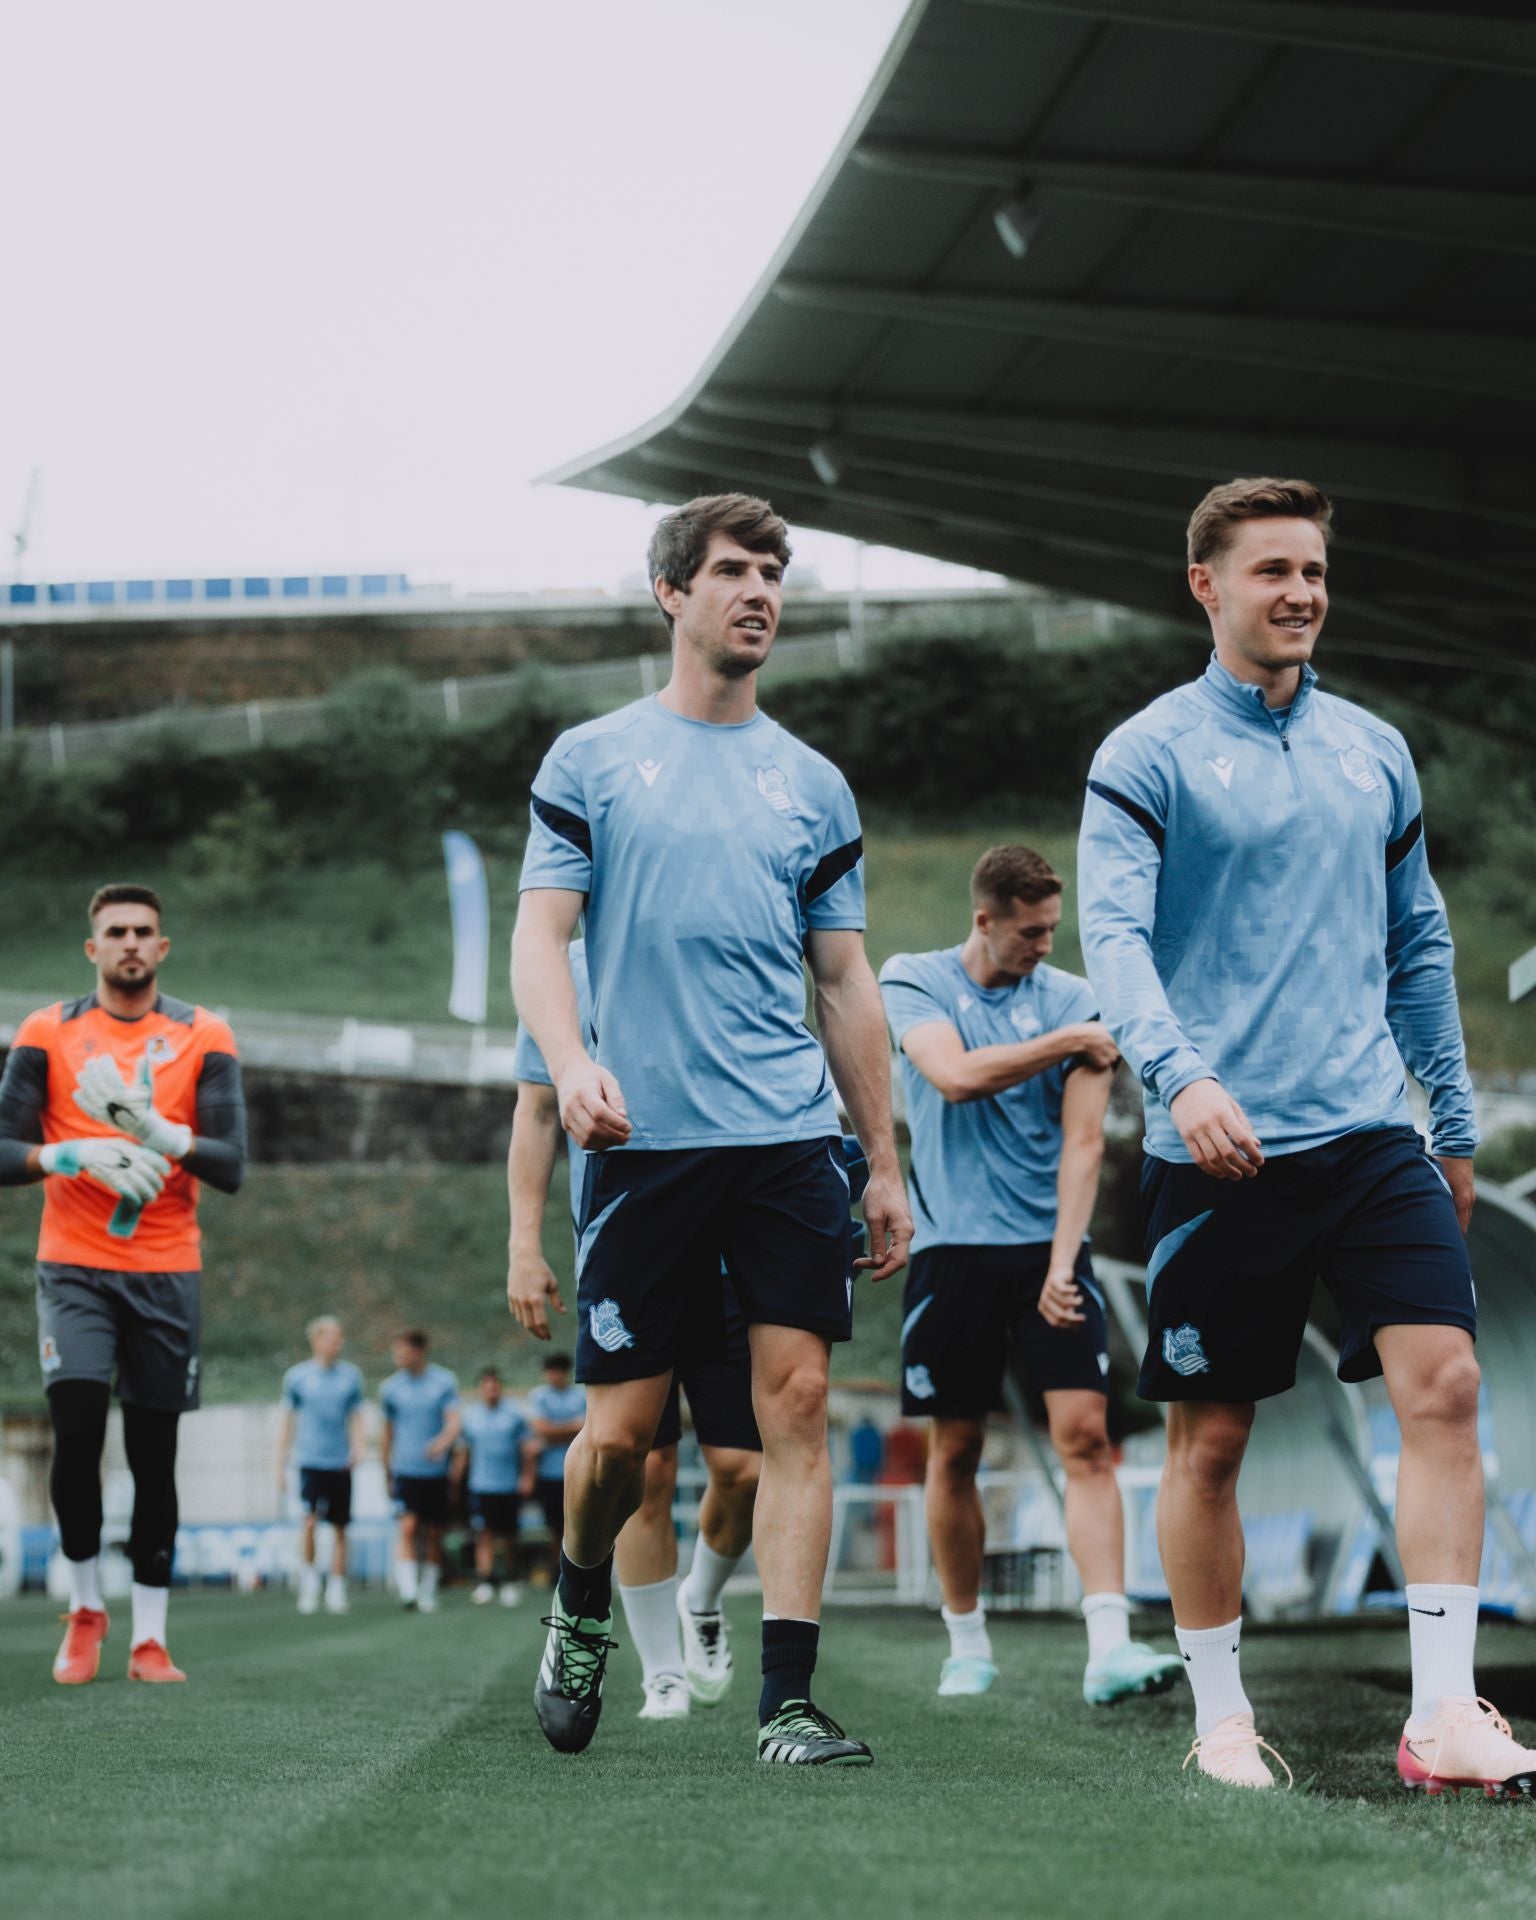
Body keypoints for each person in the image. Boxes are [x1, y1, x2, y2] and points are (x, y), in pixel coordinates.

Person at [1078, 474, 1534, 1795]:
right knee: (1211, 1439)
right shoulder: (1146, 753)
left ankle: (1442, 1715)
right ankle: (1224, 1718)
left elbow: (1421, 946)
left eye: (1315, 573)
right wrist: (1181, 1076)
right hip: (1218, 1145)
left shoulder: (1375, 751)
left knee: (1445, 1386)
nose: (1300, 594)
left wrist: (1447, 1122)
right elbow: (1112, 935)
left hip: (1368, 1135)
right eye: (1272, 570)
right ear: (1205, 586)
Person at [513, 492, 910, 1765]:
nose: (760, 592)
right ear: (671, 595)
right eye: (734, 570)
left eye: (774, 573)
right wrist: (571, 1065)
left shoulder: (815, 783)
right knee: (621, 1441)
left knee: (795, 1405)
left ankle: (786, 1703)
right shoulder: (589, 759)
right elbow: (541, 936)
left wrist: (883, 1160)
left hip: (791, 1142)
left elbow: (845, 982)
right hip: (645, 1145)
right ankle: (581, 1601)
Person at [510, 950, 870, 1720]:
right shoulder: (567, 968)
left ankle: (701, 1602)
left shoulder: (741, 950)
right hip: (634, 1234)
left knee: (742, 1469)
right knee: (630, 1455)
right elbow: (538, 1109)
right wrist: (523, 1244)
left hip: (742, 1252)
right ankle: (653, 1669)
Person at [880, 846, 1181, 1706]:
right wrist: (1069, 1042)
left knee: (1086, 1437)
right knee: (958, 1448)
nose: (1046, 945)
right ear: (984, 920)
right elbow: (954, 1075)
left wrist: (1062, 1261)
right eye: (1030, 931)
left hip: (1050, 1250)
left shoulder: (1076, 999)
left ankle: (1110, 1647)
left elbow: (1084, 1143)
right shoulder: (917, 980)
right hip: (950, 1252)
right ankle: (967, 1646)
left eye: (1053, 929)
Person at [0, 883, 245, 1685]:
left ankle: (149, 1638)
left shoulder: (204, 1032)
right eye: (116, 931)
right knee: (74, 1435)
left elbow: (231, 1162)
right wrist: (62, 1155)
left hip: (167, 1269)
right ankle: (83, 1609)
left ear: (162, 948)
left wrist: (159, 1133)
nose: (131, 942)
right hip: (73, 1266)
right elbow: (3, 1147)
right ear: (92, 947)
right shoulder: (47, 1031)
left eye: (144, 931)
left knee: (153, 1454)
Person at [277, 1315, 366, 1615]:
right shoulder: (298, 1377)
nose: (336, 1343)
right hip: (309, 1461)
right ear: (316, 1340)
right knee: (309, 1522)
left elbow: (356, 1415)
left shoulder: (351, 1377)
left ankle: (337, 1589)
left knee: (341, 1528)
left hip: (339, 1462)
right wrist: (280, 1463)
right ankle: (310, 1584)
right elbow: (288, 1422)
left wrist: (358, 1447)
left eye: (339, 1338)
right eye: (331, 1337)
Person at [379, 1330, 460, 1614]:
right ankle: (408, 1591)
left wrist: (441, 1444)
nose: (397, 1357)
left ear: (419, 1352)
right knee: (408, 1527)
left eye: (402, 1352)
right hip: (405, 1470)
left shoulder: (443, 1382)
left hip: (435, 1472)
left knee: (434, 1533)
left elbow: (453, 1423)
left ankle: (427, 1591)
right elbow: (386, 1432)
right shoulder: (390, 1388)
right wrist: (385, 1467)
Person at [455, 1367, 537, 1606]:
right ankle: (486, 1581)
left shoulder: (514, 1415)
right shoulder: (470, 1417)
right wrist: (455, 1480)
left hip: (509, 1485)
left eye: (495, 1385)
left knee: (509, 1535)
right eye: (486, 1386)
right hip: (481, 1485)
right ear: (480, 1389)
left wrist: (527, 1477)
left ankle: (510, 1581)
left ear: (500, 1388)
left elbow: (528, 1449)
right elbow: (463, 1451)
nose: (491, 1390)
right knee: (484, 1534)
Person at [524, 1353, 587, 1585]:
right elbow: (541, 1428)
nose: (555, 1376)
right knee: (554, 1526)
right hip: (549, 1474)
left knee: (577, 1524)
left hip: (577, 1471)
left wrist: (550, 1436)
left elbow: (586, 1427)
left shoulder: (580, 1396)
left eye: (559, 1371)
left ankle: (577, 1570)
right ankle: (558, 1571)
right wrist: (569, 1430)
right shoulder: (539, 1397)